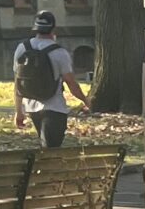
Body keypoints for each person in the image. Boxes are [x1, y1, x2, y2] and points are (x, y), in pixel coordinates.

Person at [12, 11, 88, 149]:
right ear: (53, 29)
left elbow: (18, 83)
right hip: (55, 108)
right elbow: (71, 83)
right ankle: (49, 170)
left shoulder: (22, 48)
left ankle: (46, 169)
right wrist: (86, 100)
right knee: (51, 150)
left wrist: (19, 111)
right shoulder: (59, 52)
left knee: (46, 148)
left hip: (31, 107)